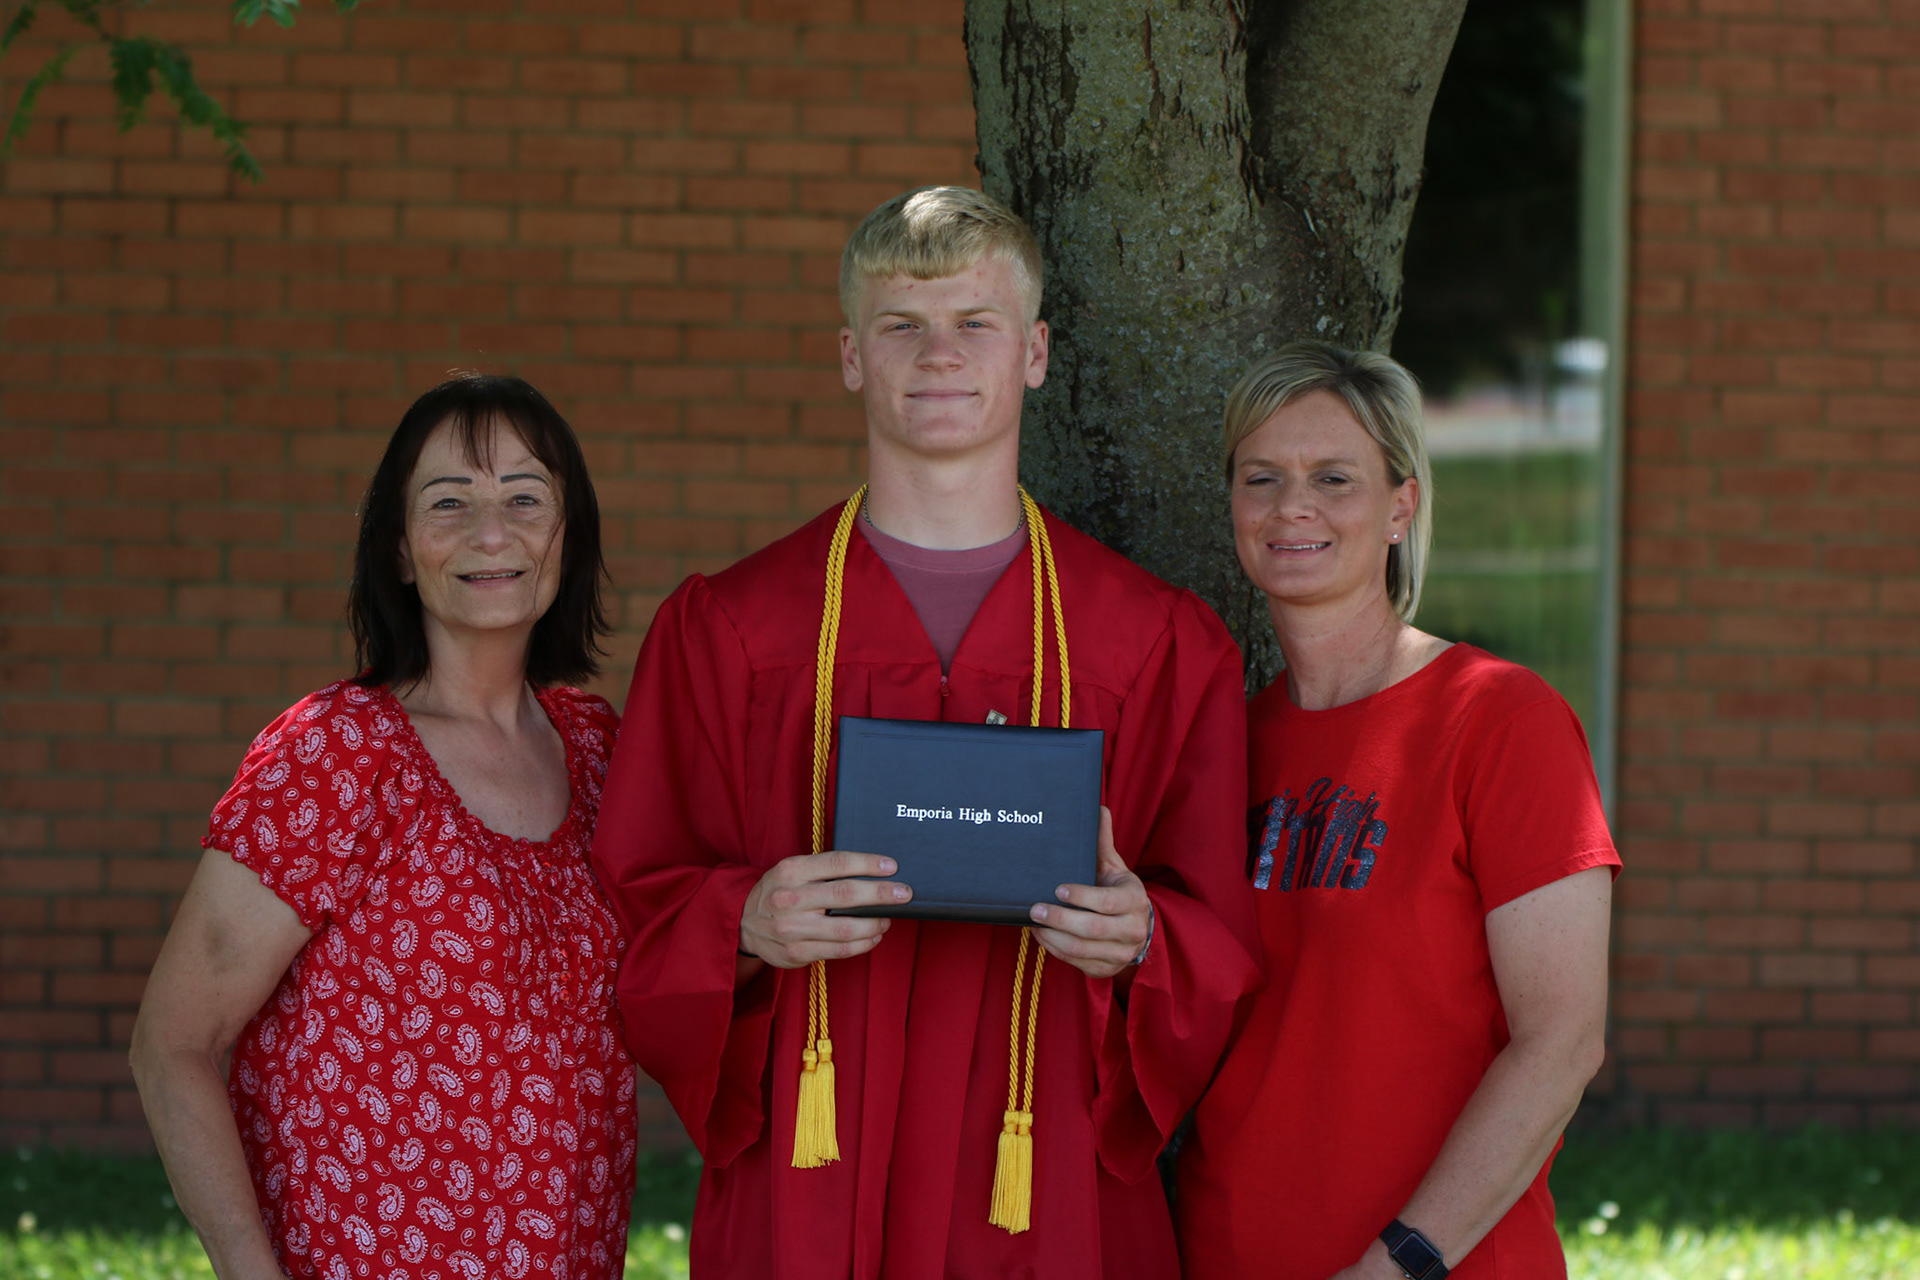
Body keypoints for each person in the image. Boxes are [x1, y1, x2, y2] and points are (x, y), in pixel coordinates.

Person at [591, 186, 1261, 1279]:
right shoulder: (734, 627)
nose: (938, 354)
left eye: (974, 323)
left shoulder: (1153, 644)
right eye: (901, 325)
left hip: (1041, 1161)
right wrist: (742, 919)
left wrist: (1144, 940)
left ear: (1035, 353)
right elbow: (638, 901)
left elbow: (1221, 939)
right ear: (852, 357)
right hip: (818, 1156)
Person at [129, 374, 636, 1280]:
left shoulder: (602, 754)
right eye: (451, 503)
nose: (493, 532)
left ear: (569, 536)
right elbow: (173, 1043)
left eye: (527, 497)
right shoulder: (338, 753)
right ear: (400, 549)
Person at [1174, 341, 1619, 1280]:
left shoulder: (1500, 719)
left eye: (1334, 477)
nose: (1292, 505)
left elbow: (1563, 1041)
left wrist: (1400, 1262)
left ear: (1399, 505)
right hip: (1227, 1252)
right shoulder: (1227, 746)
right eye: (1262, 477)